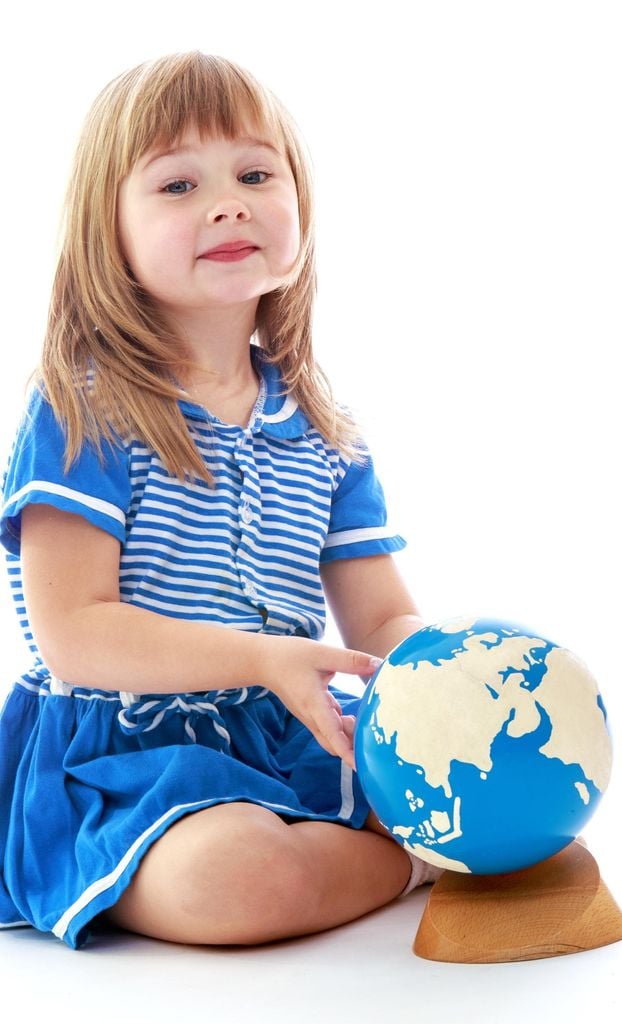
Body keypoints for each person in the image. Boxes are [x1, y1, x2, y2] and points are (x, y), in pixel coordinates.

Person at [0, 51, 440, 951]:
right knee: (236, 877)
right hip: (119, 751)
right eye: (177, 185)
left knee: (495, 775)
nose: (228, 203)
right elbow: (76, 633)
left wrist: (446, 676)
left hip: (288, 731)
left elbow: (383, 617)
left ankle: (406, 840)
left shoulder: (325, 428)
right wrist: (260, 656)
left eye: (253, 173)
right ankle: (418, 865)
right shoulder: (84, 405)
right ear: (106, 231)